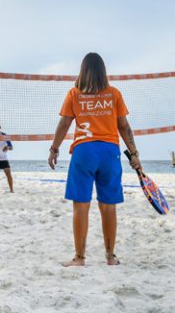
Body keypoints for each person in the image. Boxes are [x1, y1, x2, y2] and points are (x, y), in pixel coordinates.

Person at [48, 52, 142, 266]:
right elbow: (124, 126)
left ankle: (79, 258)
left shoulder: (74, 93)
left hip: (84, 151)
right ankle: (110, 257)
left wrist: (54, 148)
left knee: (80, 206)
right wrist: (134, 154)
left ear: (83, 71)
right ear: (103, 72)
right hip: (110, 152)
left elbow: (64, 124)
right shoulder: (114, 94)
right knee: (108, 206)